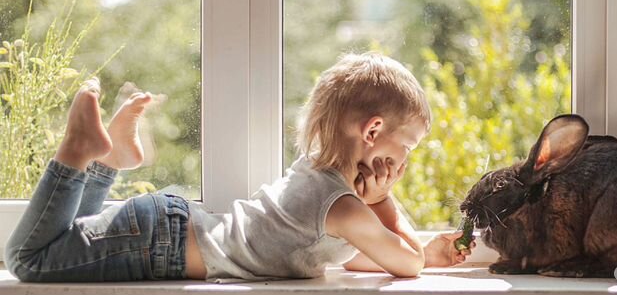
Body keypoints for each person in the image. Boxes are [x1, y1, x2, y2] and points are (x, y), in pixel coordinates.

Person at [5, 52, 475, 283]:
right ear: (372, 132)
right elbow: (406, 264)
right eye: (407, 145)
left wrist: (429, 251)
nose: (406, 160)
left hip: (164, 229)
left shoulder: (315, 173)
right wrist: (385, 202)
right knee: (29, 261)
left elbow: (345, 255)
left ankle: (108, 162)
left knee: (62, 240)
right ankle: (78, 151)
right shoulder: (345, 207)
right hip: (161, 242)